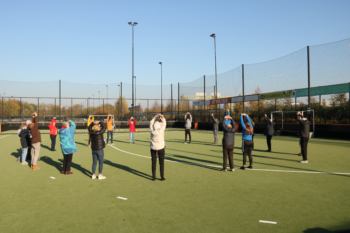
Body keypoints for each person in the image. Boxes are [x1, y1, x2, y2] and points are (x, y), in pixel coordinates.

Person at [150, 114, 166, 181]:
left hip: (153, 148)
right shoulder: (161, 130)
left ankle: (154, 177)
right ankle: (162, 177)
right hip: (161, 148)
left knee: (153, 162)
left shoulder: (152, 131)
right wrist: (162, 117)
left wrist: (154, 117)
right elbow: (164, 123)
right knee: (161, 163)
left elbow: (150, 124)